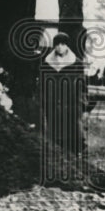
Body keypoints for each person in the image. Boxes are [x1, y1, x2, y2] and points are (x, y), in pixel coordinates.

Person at [40, 32, 86, 166]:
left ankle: (75, 156)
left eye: (63, 44)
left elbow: (82, 84)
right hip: (53, 101)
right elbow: (43, 83)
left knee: (72, 129)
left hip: (71, 101)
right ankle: (57, 159)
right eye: (57, 44)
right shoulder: (48, 63)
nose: (60, 47)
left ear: (67, 46)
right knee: (54, 129)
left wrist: (82, 102)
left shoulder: (76, 63)